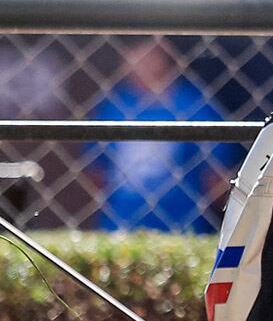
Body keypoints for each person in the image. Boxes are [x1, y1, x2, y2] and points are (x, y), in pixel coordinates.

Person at [88, 38, 231, 232]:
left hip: (183, 226)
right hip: (120, 225)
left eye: (149, 55)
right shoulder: (114, 105)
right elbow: (97, 170)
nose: (140, 62)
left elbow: (215, 176)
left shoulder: (193, 104)